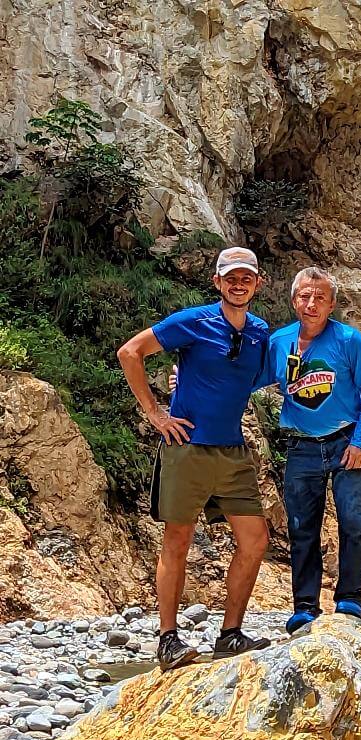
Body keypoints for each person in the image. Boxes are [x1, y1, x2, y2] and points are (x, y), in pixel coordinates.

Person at [117, 247, 272, 671]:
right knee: (178, 540)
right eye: (231, 278)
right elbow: (130, 352)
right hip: (186, 447)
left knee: (255, 540)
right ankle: (168, 640)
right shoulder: (193, 320)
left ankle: (230, 635)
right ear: (218, 282)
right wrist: (155, 414)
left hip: (233, 451)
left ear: (257, 284)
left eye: (246, 278)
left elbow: (253, 377)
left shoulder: (259, 332)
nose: (238, 284)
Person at [258, 266, 361, 634]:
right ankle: (305, 606)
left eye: (319, 298)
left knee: (354, 522)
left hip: (346, 442)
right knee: (302, 528)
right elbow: (247, 379)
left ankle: (349, 600)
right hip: (301, 446)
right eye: (304, 296)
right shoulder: (279, 342)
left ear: (331, 304)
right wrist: (188, 377)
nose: (310, 303)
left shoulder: (348, 340)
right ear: (293, 300)